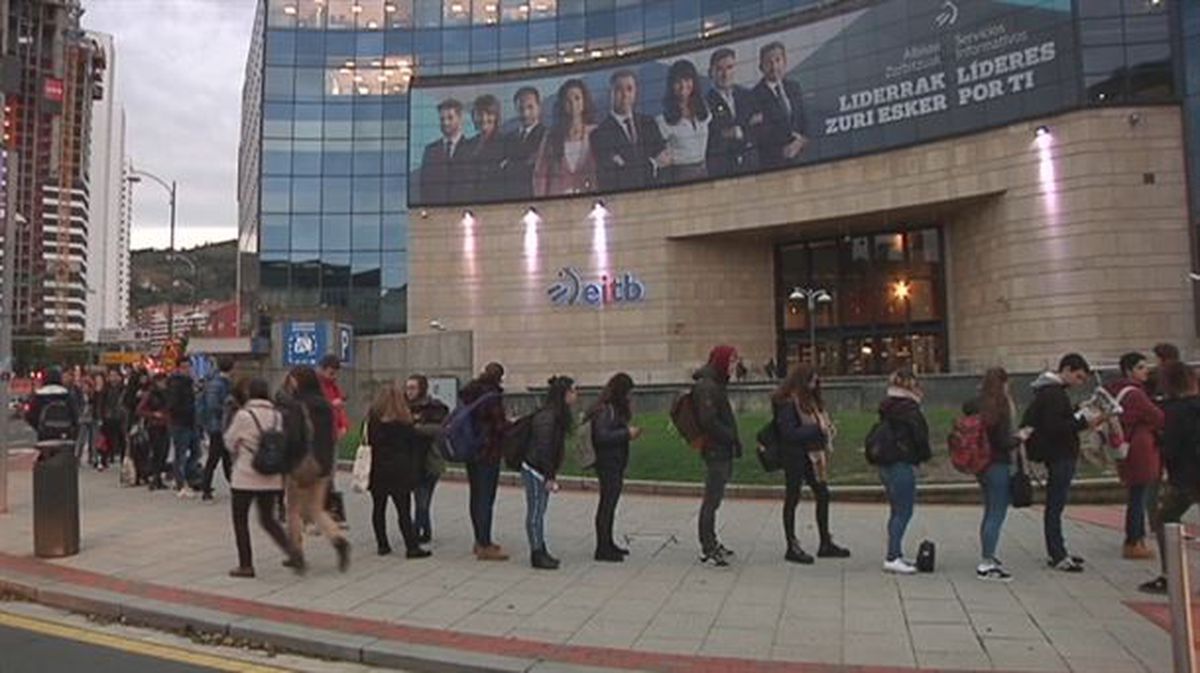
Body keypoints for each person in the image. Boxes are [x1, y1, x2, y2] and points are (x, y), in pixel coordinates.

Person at [1022, 353, 1099, 572]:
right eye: (1078, 377)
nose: (1079, 382)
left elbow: (1054, 421)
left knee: (1055, 504)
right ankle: (1057, 553)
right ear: (1065, 370)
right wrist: (1083, 421)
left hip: (1055, 453)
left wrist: (1075, 412)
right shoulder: (1054, 394)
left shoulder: (1048, 392)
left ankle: (1058, 550)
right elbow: (1055, 426)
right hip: (1059, 453)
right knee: (1055, 505)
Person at [223, 378, 301, 578]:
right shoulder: (277, 416)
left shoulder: (243, 415)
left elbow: (230, 441)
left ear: (249, 394)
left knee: (240, 521)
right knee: (269, 519)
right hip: (272, 476)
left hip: (245, 476)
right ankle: (293, 552)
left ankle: (246, 565)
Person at [772, 364, 850, 564]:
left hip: (814, 455)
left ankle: (825, 541)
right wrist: (817, 429)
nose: (815, 385)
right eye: (811, 381)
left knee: (822, 494)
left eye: (816, 381)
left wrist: (826, 429)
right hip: (795, 455)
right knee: (793, 497)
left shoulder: (811, 401)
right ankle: (791, 544)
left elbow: (819, 421)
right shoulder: (788, 402)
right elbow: (789, 433)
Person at [280, 366, 350, 573]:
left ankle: (296, 553)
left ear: (298, 381)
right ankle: (338, 539)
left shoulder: (297, 405)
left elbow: (293, 436)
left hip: (300, 464)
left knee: (293, 509)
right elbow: (331, 436)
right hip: (323, 463)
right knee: (316, 509)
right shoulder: (326, 405)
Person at [1140, 361, 1200, 594]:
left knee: (1165, 520)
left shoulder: (1173, 411)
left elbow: (1172, 447)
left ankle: (1170, 575)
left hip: (1185, 476)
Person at [963, 368, 1025, 582]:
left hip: (981, 464)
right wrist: (1020, 438)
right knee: (996, 513)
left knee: (989, 511)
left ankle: (988, 556)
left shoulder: (977, 405)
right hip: (997, 464)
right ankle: (986, 562)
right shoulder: (1000, 408)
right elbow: (1003, 442)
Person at [1104, 352, 1165, 560]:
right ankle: (1134, 541)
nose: (1145, 370)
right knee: (1139, 495)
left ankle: (1134, 540)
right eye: (1140, 367)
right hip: (1140, 447)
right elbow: (1158, 417)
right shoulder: (1136, 394)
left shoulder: (1114, 390)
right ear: (1128, 371)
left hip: (1124, 446)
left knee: (1135, 494)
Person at [367, 381, 432, 559]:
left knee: (378, 508)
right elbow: (413, 446)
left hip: (378, 467)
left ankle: (382, 544)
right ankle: (411, 547)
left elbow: (369, 442)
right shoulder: (404, 422)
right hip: (400, 469)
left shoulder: (374, 420)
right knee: (403, 510)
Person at [877, 367, 932, 574]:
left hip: (886, 463)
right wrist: (924, 457)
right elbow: (920, 437)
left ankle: (895, 552)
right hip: (902, 462)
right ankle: (892, 556)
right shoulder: (910, 410)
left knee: (896, 510)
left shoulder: (887, 407)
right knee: (904, 511)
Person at [692, 345, 741, 567]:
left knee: (715, 498)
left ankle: (712, 541)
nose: (734, 366)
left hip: (722, 448)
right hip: (715, 449)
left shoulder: (717, 384)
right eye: (731, 362)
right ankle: (708, 546)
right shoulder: (708, 386)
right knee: (711, 499)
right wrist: (729, 435)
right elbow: (708, 420)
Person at [523, 376, 577, 570]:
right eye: (572, 391)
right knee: (536, 511)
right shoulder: (548, 417)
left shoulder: (556, 415)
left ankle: (540, 547)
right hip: (535, 469)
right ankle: (537, 552)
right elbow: (544, 447)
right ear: (563, 394)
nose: (575, 395)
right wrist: (549, 476)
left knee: (539, 510)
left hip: (540, 468)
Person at [588, 372, 642, 562]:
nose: (629, 397)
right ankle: (602, 547)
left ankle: (608, 542)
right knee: (607, 505)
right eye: (628, 392)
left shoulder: (610, 408)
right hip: (607, 463)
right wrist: (627, 434)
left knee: (610, 505)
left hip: (614, 462)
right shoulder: (606, 410)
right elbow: (602, 436)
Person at [460, 362, 510, 561]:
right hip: (488, 451)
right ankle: (484, 543)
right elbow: (499, 426)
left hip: (471, 450)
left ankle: (479, 539)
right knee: (486, 498)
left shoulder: (470, 392)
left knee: (475, 495)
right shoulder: (491, 396)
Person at [591, 70, 667, 192]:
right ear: (610, 93)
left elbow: (665, 160)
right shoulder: (600, 134)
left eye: (629, 89)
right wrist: (653, 164)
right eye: (619, 89)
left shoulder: (648, 123)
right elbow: (615, 176)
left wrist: (628, 166)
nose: (625, 94)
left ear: (636, 92)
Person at [532, 79, 598, 197]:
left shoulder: (595, 133)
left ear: (584, 102)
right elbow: (540, 175)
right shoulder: (551, 137)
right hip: (557, 205)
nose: (573, 104)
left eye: (577, 98)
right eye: (568, 100)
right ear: (562, 104)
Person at [752, 41, 808, 169]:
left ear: (785, 62)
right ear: (761, 67)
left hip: (801, 162)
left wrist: (800, 142)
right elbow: (759, 136)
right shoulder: (754, 96)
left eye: (778, 60)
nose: (774, 66)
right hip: (774, 165)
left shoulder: (794, 88)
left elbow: (805, 121)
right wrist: (783, 151)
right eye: (769, 62)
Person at [406, 374, 449, 544]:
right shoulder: (402, 407)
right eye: (407, 387)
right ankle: (424, 530)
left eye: (413, 388)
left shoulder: (434, 407)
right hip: (410, 459)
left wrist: (417, 428)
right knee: (420, 499)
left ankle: (418, 530)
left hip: (429, 459)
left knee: (423, 499)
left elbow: (441, 429)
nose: (409, 392)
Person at [705, 48, 760, 177]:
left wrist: (736, 132)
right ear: (711, 73)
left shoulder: (748, 96)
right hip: (723, 170)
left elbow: (759, 127)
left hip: (751, 166)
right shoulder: (705, 103)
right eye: (719, 69)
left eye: (729, 67)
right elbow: (712, 137)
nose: (725, 74)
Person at [655, 59, 710, 183]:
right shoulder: (663, 120)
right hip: (680, 174)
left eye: (687, 79)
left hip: (704, 171)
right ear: (671, 85)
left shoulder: (705, 111)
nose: (683, 85)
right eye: (678, 81)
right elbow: (658, 155)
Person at [419, 98, 472, 205]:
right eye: (442, 119)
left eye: (450, 118)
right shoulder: (430, 151)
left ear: (460, 119)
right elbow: (424, 186)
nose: (445, 123)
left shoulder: (472, 148)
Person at [317, 355, 349, 526]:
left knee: (329, 475)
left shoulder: (334, 387)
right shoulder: (315, 387)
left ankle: (331, 512)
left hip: (332, 436)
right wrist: (332, 405)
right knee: (322, 476)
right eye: (331, 373)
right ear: (322, 369)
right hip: (319, 437)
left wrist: (343, 425)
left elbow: (340, 412)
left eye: (335, 373)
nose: (334, 376)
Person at [200, 357, 236, 501]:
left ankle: (234, 486)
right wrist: (228, 407)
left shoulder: (222, 382)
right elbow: (212, 405)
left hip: (223, 426)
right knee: (214, 459)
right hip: (218, 427)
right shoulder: (218, 384)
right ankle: (206, 488)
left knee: (226, 459)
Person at [501, 87, 546, 199]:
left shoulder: (547, 136)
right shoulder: (508, 138)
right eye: (521, 108)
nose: (525, 113)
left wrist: (511, 165)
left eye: (530, 107)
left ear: (539, 107)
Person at [166, 359, 201, 497]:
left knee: (196, 452)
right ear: (178, 368)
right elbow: (172, 405)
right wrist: (186, 410)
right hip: (180, 423)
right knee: (181, 454)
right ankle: (181, 483)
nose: (187, 370)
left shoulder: (190, 383)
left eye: (189, 367)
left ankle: (187, 477)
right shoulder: (176, 384)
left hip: (191, 423)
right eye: (184, 367)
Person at [467, 94, 505, 202]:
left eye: (489, 114)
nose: (484, 118)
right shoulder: (468, 144)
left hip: (495, 201)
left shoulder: (505, 142)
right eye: (480, 114)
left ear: (496, 116)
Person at [25, 368, 78, 445]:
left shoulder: (39, 396)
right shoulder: (66, 395)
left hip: (45, 433)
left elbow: (30, 416)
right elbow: (75, 414)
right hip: (64, 432)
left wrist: (39, 427)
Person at [137, 374, 171, 491]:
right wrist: (153, 414)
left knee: (163, 453)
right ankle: (153, 478)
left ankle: (158, 479)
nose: (163, 384)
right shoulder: (150, 394)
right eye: (161, 381)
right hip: (154, 426)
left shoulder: (166, 393)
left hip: (165, 425)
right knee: (157, 452)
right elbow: (140, 410)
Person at [98, 369, 127, 472]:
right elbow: (101, 404)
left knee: (122, 439)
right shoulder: (105, 389)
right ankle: (103, 460)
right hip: (108, 417)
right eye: (111, 376)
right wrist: (101, 416)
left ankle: (124, 460)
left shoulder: (123, 389)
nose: (113, 378)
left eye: (115, 375)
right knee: (106, 440)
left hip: (120, 417)